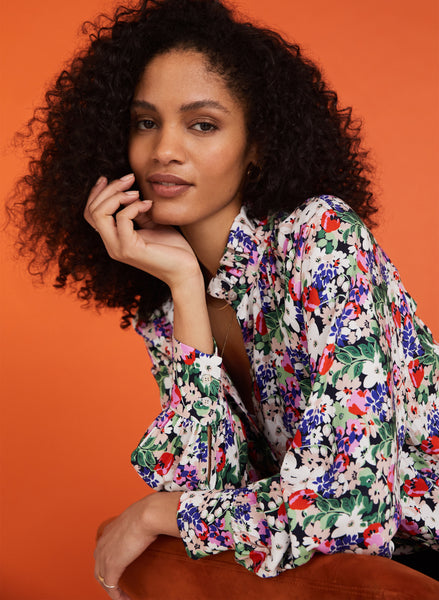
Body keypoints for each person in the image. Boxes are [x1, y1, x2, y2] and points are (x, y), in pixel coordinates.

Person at [9, 0, 438, 597]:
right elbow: (206, 489)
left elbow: (346, 512)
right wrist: (186, 286)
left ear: (256, 146)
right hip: (322, 573)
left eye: (202, 124)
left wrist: (155, 513)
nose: (164, 149)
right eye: (145, 122)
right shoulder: (168, 304)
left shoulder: (320, 237)